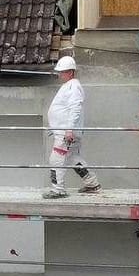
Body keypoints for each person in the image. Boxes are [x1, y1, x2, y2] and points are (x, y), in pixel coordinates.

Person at [44, 55, 101, 199]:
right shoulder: (71, 86)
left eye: (62, 72)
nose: (60, 74)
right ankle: (92, 183)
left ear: (70, 72)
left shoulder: (73, 87)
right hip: (66, 132)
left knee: (57, 159)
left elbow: (75, 108)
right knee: (72, 158)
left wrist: (68, 129)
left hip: (66, 133)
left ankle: (58, 190)